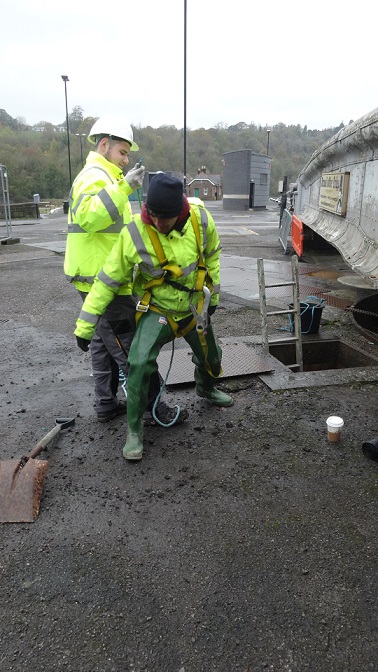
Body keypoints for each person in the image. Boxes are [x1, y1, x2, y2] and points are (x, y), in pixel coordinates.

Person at [74, 173, 233, 461]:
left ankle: (206, 387)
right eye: (154, 216)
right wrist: (85, 326)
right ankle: (134, 431)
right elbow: (107, 281)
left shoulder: (201, 220)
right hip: (157, 310)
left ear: (181, 211)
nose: (158, 223)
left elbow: (212, 257)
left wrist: (214, 298)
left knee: (214, 359)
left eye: (166, 218)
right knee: (137, 364)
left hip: (193, 309)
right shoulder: (134, 232)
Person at [64, 116, 186, 426]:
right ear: (104, 145)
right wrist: (124, 187)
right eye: (122, 152)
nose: (126, 159)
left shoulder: (105, 176)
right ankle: (155, 408)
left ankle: (106, 402)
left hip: (96, 277)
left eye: (128, 154)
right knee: (133, 349)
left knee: (102, 343)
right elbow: (90, 217)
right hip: (103, 281)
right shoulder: (95, 176)